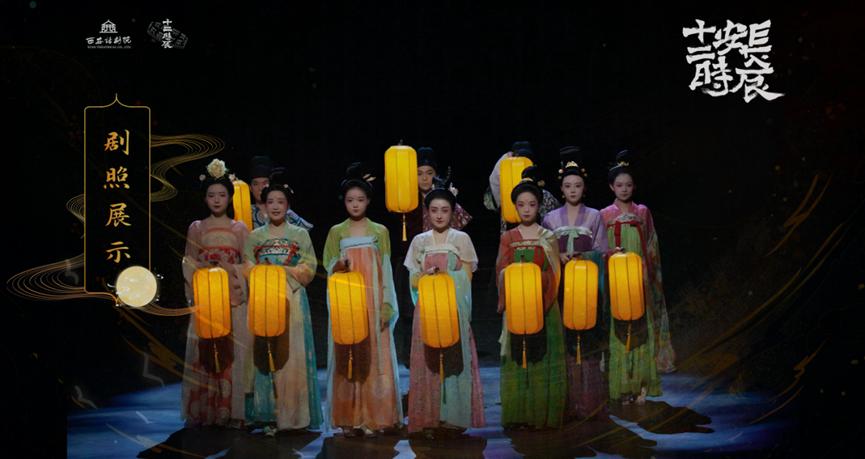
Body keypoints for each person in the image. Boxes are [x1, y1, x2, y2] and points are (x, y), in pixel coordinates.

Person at [323, 163, 402, 437]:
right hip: (348, 301)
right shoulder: (337, 231)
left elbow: (387, 269)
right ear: (344, 202)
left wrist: (387, 302)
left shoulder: (380, 231)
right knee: (348, 352)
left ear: (368, 201)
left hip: (373, 300)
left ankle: (376, 416)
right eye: (350, 200)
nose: (355, 204)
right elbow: (328, 264)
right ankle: (350, 418)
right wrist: (337, 265)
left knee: (375, 354)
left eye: (360, 199)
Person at [243, 174, 322, 434]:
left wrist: (282, 273)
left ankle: (293, 415)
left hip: (293, 298)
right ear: (264, 206)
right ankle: (267, 415)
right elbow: (247, 266)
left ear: (288, 205)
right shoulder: (255, 236)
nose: (275, 206)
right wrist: (264, 276)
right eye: (270, 202)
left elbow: (309, 266)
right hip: (264, 299)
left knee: (292, 354)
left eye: (281, 201)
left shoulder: (300, 234)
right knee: (264, 352)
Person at [404, 185, 485, 438]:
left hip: (453, 309)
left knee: (453, 361)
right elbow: (412, 279)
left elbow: (467, 276)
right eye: (434, 210)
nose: (439, 215)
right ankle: (429, 417)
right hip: (428, 309)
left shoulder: (461, 239)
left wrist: (449, 277)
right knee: (427, 362)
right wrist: (425, 278)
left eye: (445, 210)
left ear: (452, 212)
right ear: (427, 212)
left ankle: (454, 418)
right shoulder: (419, 241)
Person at [180, 159, 252, 428]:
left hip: (231, 298)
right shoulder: (197, 227)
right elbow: (188, 261)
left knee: (232, 352)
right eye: (212, 195)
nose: (217, 200)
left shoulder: (239, 228)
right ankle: (205, 410)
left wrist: (228, 268)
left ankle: (232, 411)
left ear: (230, 198)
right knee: (206, 351)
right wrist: (202, 270)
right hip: (207, 298)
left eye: (222, 195)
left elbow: (248, 265)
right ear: (205, 198)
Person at [600, 149, 673, 405]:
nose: (624, 189)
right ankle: (622, 386)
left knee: (642, 329)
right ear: (611, 187)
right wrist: (610, 256)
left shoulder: (643, 212)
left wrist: (647, 272)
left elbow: (652, 245)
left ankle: (642, 384)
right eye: (619, 185)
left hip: (640, 280)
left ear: (634, 186)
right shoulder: (604, 215)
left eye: (628, 185)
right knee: (619, 329)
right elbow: (600, 248)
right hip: (616, 280)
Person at [541, 146, 610, 420]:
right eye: (568, 186)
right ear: (561, 189)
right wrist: (559, 257)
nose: (572, 190)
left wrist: (586, 257)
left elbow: (602, 251)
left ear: (584, 188)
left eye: (577, 185)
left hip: (586, 284)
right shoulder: (550, 218)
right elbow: (546, 254)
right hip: (562, 286)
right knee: (565, 339)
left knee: (587, 337)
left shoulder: (594, 216)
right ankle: (567, 401)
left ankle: (589, 400)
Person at [495, 166, 566, 429]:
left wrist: (536, 281)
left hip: (543, 307)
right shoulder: (508, 237)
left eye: (532, 204)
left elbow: (554, 273)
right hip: (517, 307)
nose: (526, 210)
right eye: (521, 205)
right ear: (514, 207)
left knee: (542, 359)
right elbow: (500, 271)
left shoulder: (548, 237)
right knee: (517, 359)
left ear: (539, 206)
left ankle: (541, 414)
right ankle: (519, 415)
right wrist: (515, 278)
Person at [486, 141, 560, 234]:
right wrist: (506, 159)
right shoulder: (508, 197)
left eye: (527, 159)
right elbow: (494, 181)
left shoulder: (545, 195)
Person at [248, 155, 314, 230]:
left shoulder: (284, 211)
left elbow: (306, 230)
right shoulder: (246, 211)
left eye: (264, 183)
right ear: (250, 188)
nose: (260, 188)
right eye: (255, 184)